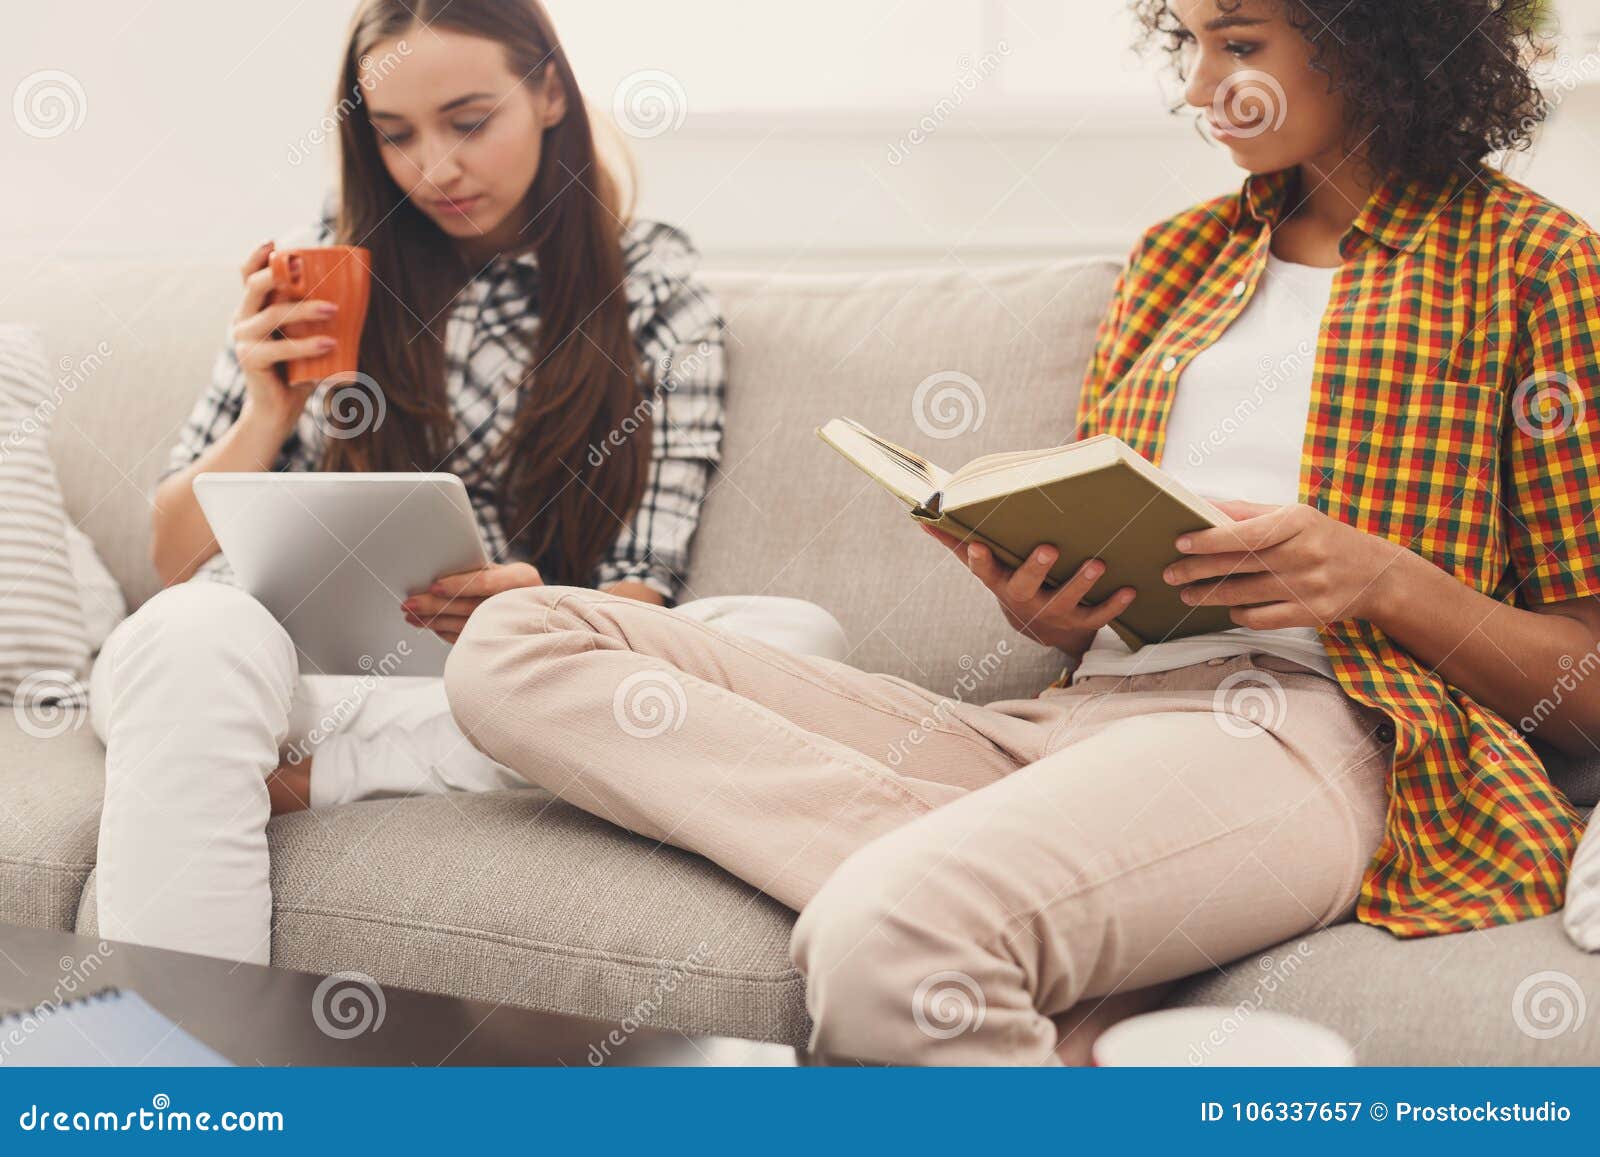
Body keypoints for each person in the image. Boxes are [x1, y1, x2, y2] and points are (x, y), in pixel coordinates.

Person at [443, 0, 1600, 1064]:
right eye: (1189, 43)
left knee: (889, 941)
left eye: (1238, 44)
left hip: (1307, 729)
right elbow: (1105, 515)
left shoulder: (1536, 266)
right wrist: (1043, 600)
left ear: (1371, 38)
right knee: (516, 641)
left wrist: (1380, 581)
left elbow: (1584, 683)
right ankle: (1033, 893)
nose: (1201, 87)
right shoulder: (1176, 261)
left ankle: (964, 893)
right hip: (1070, 719)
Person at [89, 0, 844, 968]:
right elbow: (170, 555)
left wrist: (540, 612)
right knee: (187, 630)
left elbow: (644, 584)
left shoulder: (654, 285)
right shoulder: (323, 258)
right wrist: (265, 409)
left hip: (501, 688)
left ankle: (331, 777)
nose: (433, 169)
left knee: (795, 642)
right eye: (395, 136)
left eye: (468, 121)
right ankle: (187, 1094)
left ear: (548, 93)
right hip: (260, 684)